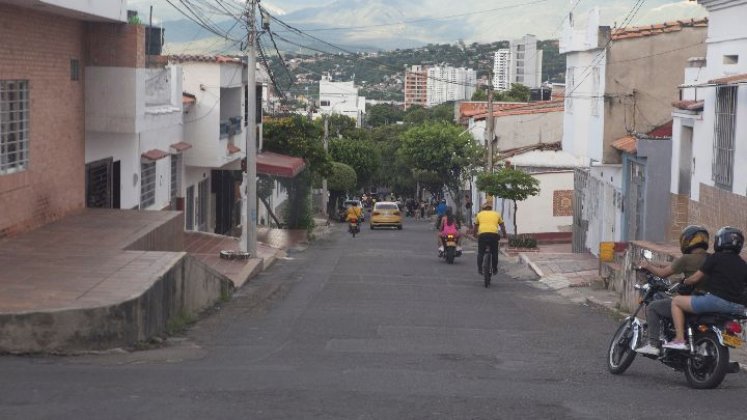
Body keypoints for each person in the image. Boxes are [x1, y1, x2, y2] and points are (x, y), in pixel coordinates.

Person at [663, 226, 747, 351]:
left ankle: (679, 339)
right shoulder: (743, 264)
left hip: (716, 301)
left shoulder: (715, 258)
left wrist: (685, 281)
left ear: (720, 241)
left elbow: (695, 278)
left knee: (676, 302)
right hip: (738, 307)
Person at [634, 225, 710, 356]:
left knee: (653, 307)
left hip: (691, 301)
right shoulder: (711, 259)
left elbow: (663, 273)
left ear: (687, 241)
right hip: (710, 301)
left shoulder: (686, 259)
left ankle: (653, 344)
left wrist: (648, 265)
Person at [474, 201, 507, 275]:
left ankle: (480, 268)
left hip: (482, 235)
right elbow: (502, 226)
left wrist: (475, 235)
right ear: (491, 208)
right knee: (494, 252)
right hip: (493, 235)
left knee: (481, 253)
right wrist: (505, 235)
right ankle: (494, 269)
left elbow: (475, 226)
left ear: (483, 208)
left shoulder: (479, 214)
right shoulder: (496, 214)